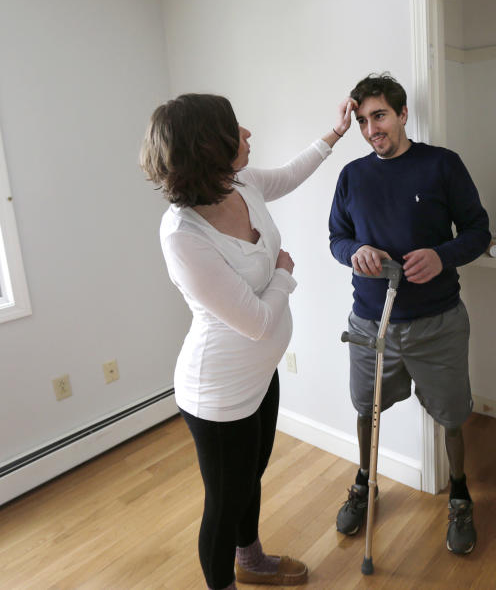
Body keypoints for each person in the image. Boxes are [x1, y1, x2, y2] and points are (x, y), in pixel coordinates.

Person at [141, 93, 355, 590]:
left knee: (250, 475)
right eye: (237, 130)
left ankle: (251, 559)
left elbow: (290, 173)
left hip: (261, 374)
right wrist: (284, 273)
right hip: (217, 391)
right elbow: (256, 321)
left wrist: (336, 133)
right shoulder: (182, 234)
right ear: (208, 147)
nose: (248, 135)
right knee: (225, 500)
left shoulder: (241, 185)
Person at [328, 73, 491, 554]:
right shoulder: (352, 176)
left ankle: (459, 493)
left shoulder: (442, 165)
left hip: (437, 322)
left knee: (452, 414)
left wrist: (443, 255)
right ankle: (364, 482)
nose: (370, 128)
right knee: (366, 409)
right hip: (369, 324)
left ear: (402, 114)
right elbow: (336, 238)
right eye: (362, 120)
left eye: (379, 116)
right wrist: (354, 250)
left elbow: (479, 231)